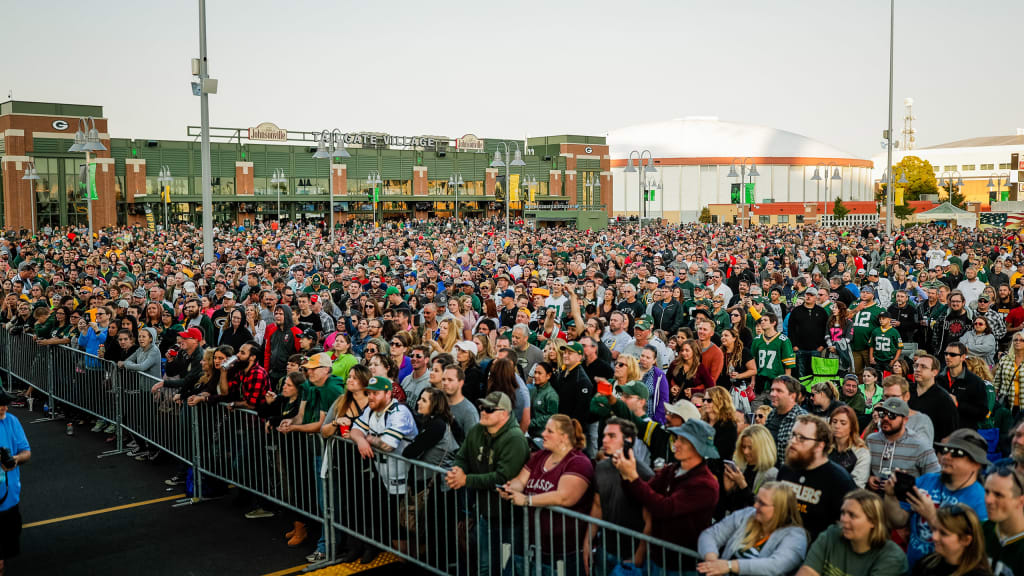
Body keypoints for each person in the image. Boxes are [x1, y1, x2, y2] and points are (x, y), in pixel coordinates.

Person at [613, 418, 720, 574]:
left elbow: (665, 508)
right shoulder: (672, 470)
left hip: (683, 566)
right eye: (677, 439)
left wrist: (632, 476)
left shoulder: (706, 485)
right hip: (658, 558)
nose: (675, 444)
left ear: (697, 447)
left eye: (682, 441)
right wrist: (625, 474)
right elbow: (642, 493)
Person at [445, 391, 529, 576]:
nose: (483, 411)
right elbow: (462, 456)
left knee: (507, 568)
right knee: (485, 567)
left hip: (509, 519)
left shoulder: (514, 439)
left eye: (489, 409)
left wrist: (466, 480)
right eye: (482, 407)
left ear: (504, 414)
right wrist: (457, 470)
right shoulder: (478, 430)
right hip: (484, 514)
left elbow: (502, 478)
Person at [499, 414, 594, 575]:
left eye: (549, 431)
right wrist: (510, 488)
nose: (543, 434)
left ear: (564, 437)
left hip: (564, 552)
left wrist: (527, 500)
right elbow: (521, 481)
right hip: (534, 546)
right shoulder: (541, 456)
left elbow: (565, 497)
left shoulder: (578, 462)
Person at [884, 428, 990, 567]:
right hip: (912, 567)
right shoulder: (927, 480)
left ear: (976, 464)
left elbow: (973, 550)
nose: (947, 456)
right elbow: (899, 520)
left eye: (957, 453)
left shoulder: (981, 500)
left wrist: (932, 516)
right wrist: (890, 496)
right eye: (945, 450)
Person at [349, 375, 419, 565]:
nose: (371, 397)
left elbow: (388, 444)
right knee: (389, 519)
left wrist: (369, 439)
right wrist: (362, 440)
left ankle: (412, 562)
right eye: (369, 393)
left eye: (376, 393)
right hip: (383, 474)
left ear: (388, 393)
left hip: (406, 477)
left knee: (404, 523)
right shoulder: (372, 410)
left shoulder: (399, 412)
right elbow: (354, 430)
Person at [584, 417, 653, 575]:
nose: (605, 440)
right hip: (605, 549)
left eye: (612, 436)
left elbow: (649, 522)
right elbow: (597, 506)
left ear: (628, 440)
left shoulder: (644, 474)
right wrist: (587, 543)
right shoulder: (600, 468)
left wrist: (638, 556)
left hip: (631, 557)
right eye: (604, 435)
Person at [697, 481, 808, 576]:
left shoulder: (796, 537)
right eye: (756, 500)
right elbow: (710, 534)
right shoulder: (748, 514)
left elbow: (775, 565)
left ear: (780, 509)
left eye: (762, 503)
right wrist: (712, 561)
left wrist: (730, 566)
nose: (755, 506)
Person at [776, 414, 858, 542]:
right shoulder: (787, 469)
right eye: (793, 435)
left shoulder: (839, 480)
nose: (793, 441)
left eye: (802, 438)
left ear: (820, 445)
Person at [796, 490, 908, 576]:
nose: (844, 519)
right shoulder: (831, 535)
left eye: (852, 515)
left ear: (873, 521)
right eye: (843, 513)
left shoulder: (891, 557)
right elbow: (807, 571)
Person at [866, 397, 941, 487]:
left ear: (905, 420)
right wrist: (869, 478)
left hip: (905, 499)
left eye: (891, 415)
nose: (885, 418)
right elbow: (862, 471)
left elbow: (935, 478)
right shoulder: (871, 440)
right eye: (882, 414)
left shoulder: (920, 444)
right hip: (875, 498)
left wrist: (907, 484)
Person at [913, 503, 991, 576]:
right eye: (934, 529)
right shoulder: (926, 564)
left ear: (966, 540)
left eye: (943, 533)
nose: (934, 537)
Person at [0, 390, 30, 573]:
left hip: (9, 501)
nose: (4, 407)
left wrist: (16, 460)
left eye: (5, 403)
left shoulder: (12, 421)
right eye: (0, 404)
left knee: (7, 550)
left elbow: (26, 452)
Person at [910, 354, 960, 445]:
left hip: (930, 450)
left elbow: (949, 433)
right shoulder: (906, 391)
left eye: (923, 367)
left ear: (934, 372)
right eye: (916, 366)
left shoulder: (943, 399)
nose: (917, 369)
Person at [982, 466, 1024, 575]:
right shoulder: (981, 530)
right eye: (987, 492)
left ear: (1020, 501)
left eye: (998, 495)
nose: (988, 500)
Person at [939, 342, 989, 431]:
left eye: (952, 354)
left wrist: (958, 404)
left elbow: (982, 413)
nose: (947, 357)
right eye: (945, 354)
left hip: (964, 434)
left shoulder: (975, 382)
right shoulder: (938, 379)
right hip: (941, 432)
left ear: (963, 357)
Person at [764, 376, 808, 465]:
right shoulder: (772, 414)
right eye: (772, 390)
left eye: (779, 391)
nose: (772, 394)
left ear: (792, 396)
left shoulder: (802, 419)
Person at [528, 361, 559, 438]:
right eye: (535, 372)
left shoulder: (551, 395)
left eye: (539, 373)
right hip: (530, 433)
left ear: (548, 376)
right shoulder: (532, 390)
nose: (536, 375)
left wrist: (531, 423)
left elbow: (551, 416)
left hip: (543, 435)